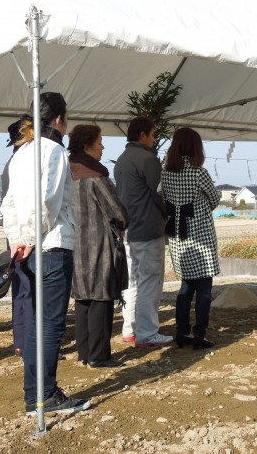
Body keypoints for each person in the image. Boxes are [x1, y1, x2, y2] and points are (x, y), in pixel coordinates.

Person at [0, 92, 91, 416]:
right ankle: (46, 394)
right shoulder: (52, 150)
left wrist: (17, 239)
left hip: (31, 247)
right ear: (58, 120)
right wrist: (26, 236)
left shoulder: (22, 152)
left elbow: (8, 203)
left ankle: (34, 394)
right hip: (51, 245)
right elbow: (47, 201)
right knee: (50, 326)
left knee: (39, 325)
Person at [68, 125, 130, 368]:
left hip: (73, 244)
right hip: (98, 244)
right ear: (87, 145)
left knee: (82, 299)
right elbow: (117, 212)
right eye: (100, 142)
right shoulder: (95, 175)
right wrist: (124, 221)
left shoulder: (65, 172)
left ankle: (84, 353)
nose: (103, 147)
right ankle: (99, 356)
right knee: (101, 299)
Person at [113, 117, 173, 348]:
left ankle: (130, 330)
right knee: (150, 281)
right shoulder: (147, 159)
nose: (154, 138)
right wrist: (168, 213)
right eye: (153, 134)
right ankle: (148, 333)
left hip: (128, 230)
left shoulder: (122, 159)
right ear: (142, 135)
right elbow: (160, 193)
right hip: (148, 228)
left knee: (133, 282)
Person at [161, 127, 221, 349]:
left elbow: (163, 197)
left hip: (178, 235)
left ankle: (182, 331)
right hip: (201, 235)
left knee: (186, 287)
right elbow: (214, 200)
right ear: (196, 147)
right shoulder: (199, 172)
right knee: (204, 289)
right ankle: (199, 334)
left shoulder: (165, 172)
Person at [1, 117, 33, 356]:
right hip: (24, 235)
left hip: (16, 235)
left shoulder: (11, 163)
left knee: (21, 290)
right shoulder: (23, 164)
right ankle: (28, 340)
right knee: (29, 290)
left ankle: (21, 339)